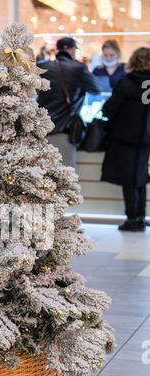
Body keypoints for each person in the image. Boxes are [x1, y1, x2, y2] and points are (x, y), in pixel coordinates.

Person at [101, 47, 150, 232]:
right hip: (146, 139)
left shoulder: (126, 83)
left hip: (125, 137)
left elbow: (110, 109)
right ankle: (141, 217)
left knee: (128, 179)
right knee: (140, 176)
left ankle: (132, 219)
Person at [38, 37, 100, 168]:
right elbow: (97, 90)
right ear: (72, 50)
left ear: (58, 50)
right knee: (65, 180)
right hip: (64, 130)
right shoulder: (78, 68)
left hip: (41, 131)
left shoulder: (42, 66)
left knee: (42, 178)